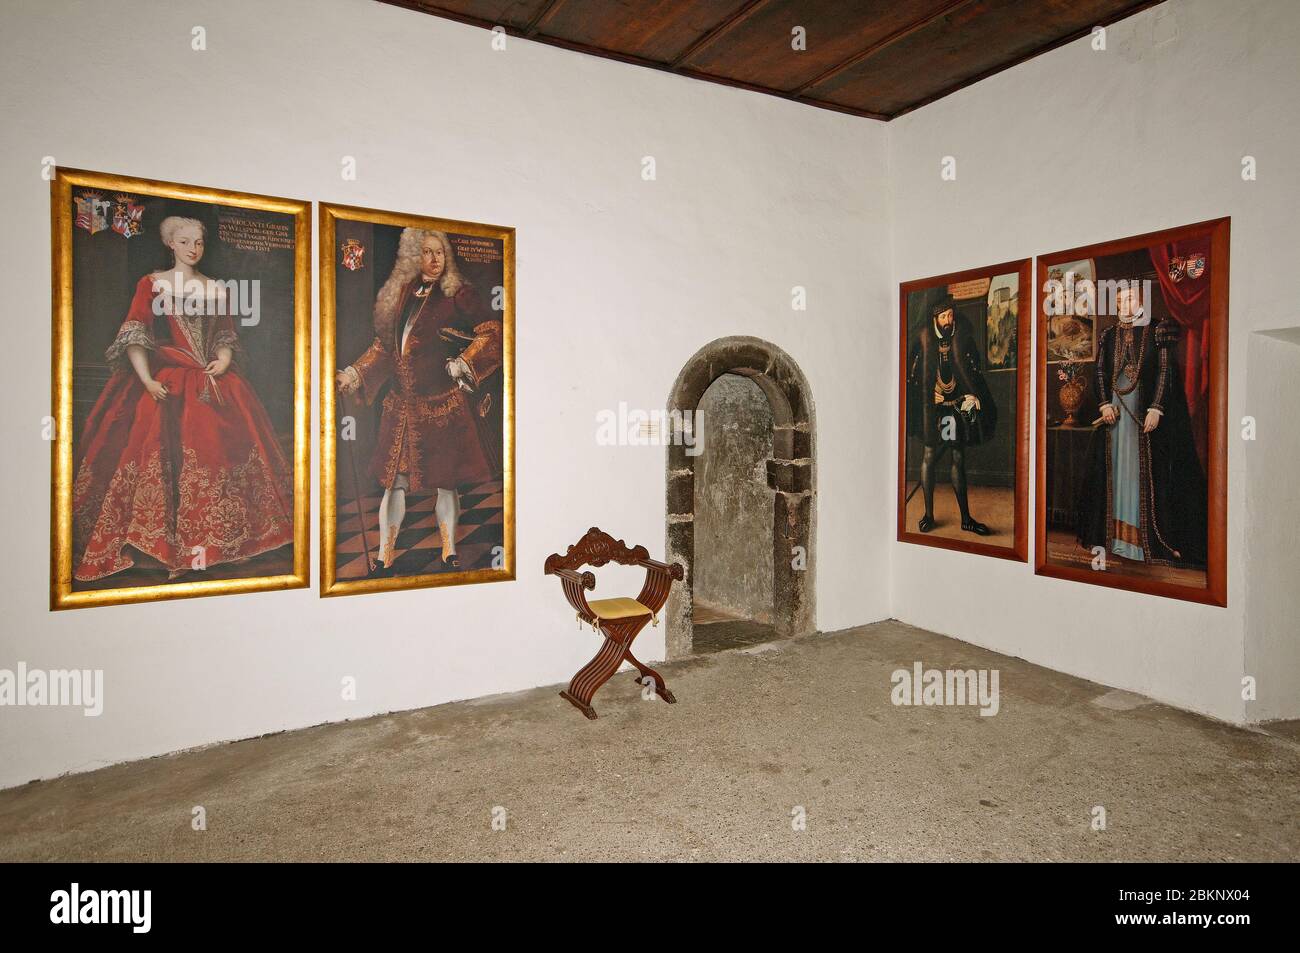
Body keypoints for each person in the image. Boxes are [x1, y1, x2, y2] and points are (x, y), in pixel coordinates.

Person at [73, 216, 294, 581]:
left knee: (221, 457)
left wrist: (223, 359)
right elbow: (135, 335)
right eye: (185, 241)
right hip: (169, 386)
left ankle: (227, 544)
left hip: (215, 385)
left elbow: (225, 335)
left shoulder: (215, 289)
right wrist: (146, 381)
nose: (193, 248)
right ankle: (167, 551)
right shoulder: (153, 284)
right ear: (171, 244)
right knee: (166, 460)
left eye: (199, 242)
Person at [337, 228, 501, 574]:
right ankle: (385, 554)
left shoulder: (459, 294)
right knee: (393, 484)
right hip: (402, 409)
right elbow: (385, 348)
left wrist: (465, 361)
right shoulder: (402, 295)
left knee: (446, 482)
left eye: (440, 252)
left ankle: (449, 551)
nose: (434, 259)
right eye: (426, 252)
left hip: (441, 406)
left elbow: (492, 333)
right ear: (414, 255)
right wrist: (353, 373)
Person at [1076, 283, 1206, 566]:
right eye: (1120, 300)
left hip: (1143, 418)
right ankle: (1116, 542)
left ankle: (1144, 545)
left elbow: (1165, 371)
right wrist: (1104, 404)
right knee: (1116, 475)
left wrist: (1157, 408)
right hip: (1114, 420)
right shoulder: (1109, 335)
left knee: (1141, 476)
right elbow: (1099, 372)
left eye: (1130, 298)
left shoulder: (1158, 328)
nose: (1124, 304)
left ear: (1141, 299)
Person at [906, 296, 996, 535]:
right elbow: (912, 375)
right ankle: (928, 515)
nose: (948, 320)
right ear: (936, 318)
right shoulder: (923, 339)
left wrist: (971, 395)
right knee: (929, 453)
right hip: (931, 406)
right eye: (944, 316)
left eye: (950, 315)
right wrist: (927, 394)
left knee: (957, 454)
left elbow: (973, 369)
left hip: (955, 405)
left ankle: (966, 519)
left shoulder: (962, 336)